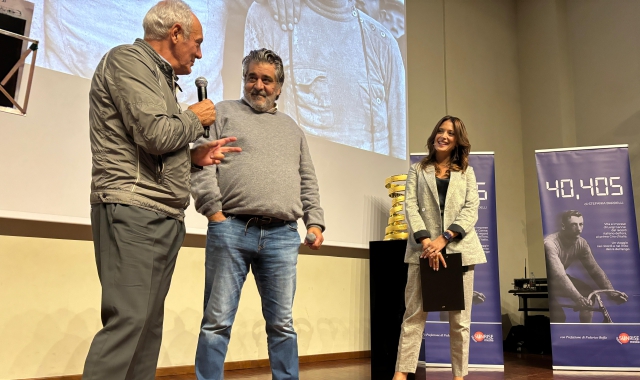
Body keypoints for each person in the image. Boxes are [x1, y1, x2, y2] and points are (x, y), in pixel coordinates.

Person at [84, 1, 241, 379]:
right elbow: (154, 134)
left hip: (162, 213)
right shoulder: (128, 61)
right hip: (133, 208)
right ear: (175, 33)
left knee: (148, 327)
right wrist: (194, 117)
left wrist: (192, 158)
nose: (200, 54)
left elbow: (154, 149)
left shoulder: (162, 79)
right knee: (128, 322)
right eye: (197, 43)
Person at [190, 48, 325, 380]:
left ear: (279, 87)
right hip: (231, 230)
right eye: (252, 77)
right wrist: (214, 213)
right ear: (244, 80)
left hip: (282, 236)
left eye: (267, 80)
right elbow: (200, 163)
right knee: (216, 321)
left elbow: (307, 177)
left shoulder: (292, 128)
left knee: (282, 324)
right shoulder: (220, 112)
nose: (258, 85)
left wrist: (315, 221)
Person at [244, 0, 406, 159]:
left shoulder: (384, 43)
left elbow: (400, 144)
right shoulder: (270, 19)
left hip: (371, 180)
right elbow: (253, 125)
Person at [394, 116, 486, 380]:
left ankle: (459, 376)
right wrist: (427, 242)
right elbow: (410, 205)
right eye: (440, 131)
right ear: (434, 134)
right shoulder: (417, 169)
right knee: (413, 315)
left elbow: (471, 209)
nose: (444, 136)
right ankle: (400, 373)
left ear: (458, 140)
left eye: (451, 133)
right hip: (422, 251)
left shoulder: (466, 171)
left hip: (460, 250)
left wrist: (444, 239)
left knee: (460, 322)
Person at [545, 210, 628, 323]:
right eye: (574, 225)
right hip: (547, 282)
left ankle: (586, 330)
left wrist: (612, 292)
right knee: (560, 317)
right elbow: (560, 275)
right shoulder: (550, 244)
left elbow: (595, 270)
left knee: (589, 295)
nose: (579, 229)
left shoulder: (582, 243)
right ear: (564, 226)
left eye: (581, 224)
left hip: (559, 279)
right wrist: (578, 298)